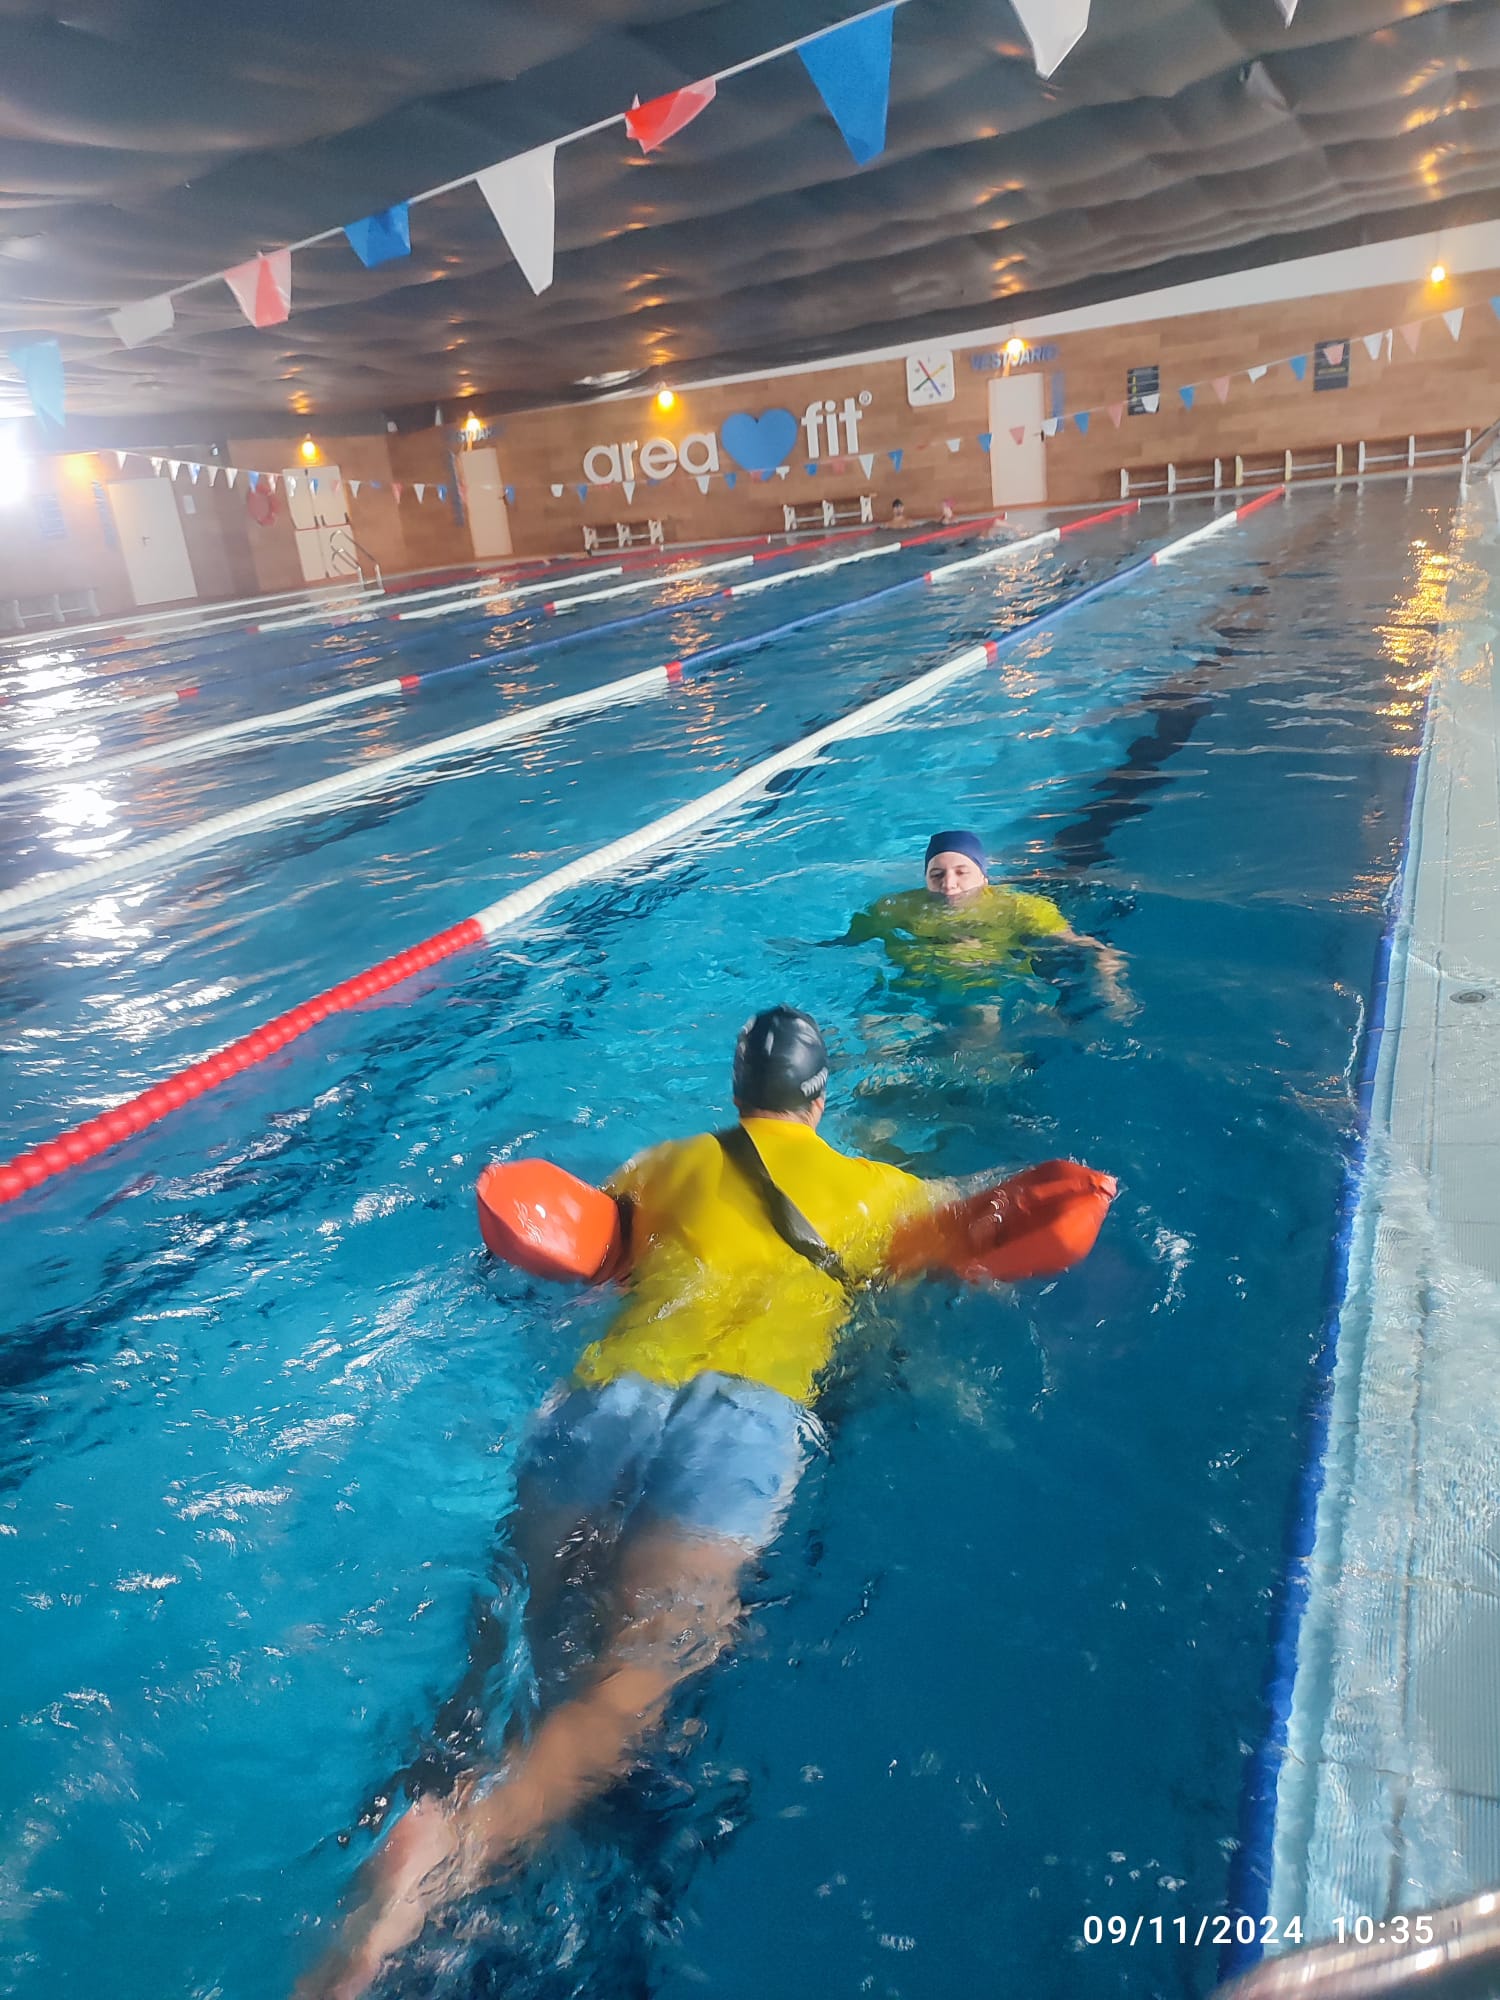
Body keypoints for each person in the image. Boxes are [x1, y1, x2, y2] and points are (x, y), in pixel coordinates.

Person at [300, 1008, 1113, 1998]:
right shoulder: (878, 1192)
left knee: (508, 1615)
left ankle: (430, 1793)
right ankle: (463, 1848)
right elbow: (969, 1228)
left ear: (738, 1093)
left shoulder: (662, 1163)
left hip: (608, 1394)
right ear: (822, 1098)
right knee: (638, 1677)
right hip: (743, 1422)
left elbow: (587, 1261)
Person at [843, 828, 1130, 1015]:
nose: (949, 885)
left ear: (984, 876)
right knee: (870, 1028)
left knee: (981, 1026)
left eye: (961, 872)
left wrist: (1108, 984)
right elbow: (846, 946)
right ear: (925, 878)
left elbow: (1089, 947)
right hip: (913, 990)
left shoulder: (1021, 907)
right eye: (937, 874)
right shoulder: (894, 908)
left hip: (989, 990)